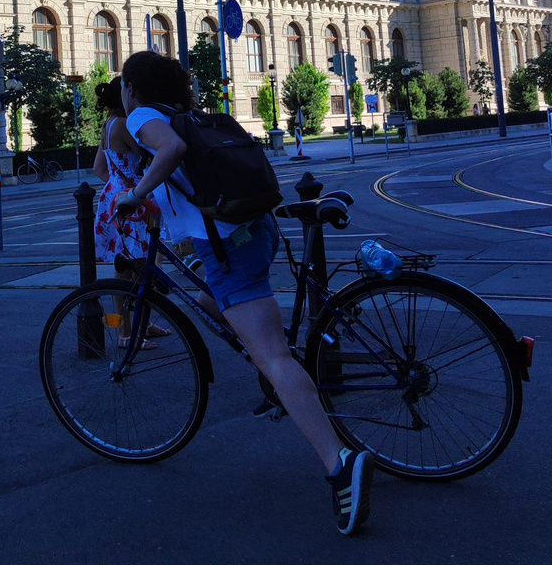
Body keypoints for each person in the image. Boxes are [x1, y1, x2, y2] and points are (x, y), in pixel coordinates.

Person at [112, 50, 374, 536]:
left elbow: (170, 153)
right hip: (253, 228)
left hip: (230, 245)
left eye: (123, 85)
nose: (122, 94)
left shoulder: (145, 116)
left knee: (274, 357)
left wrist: (133, 192)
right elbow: (188, 178)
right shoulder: (185, 114)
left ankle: (339, 463)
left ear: (133, 88)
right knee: (223, 305)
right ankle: (288, 369)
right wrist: (150, 202)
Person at [91, 78, 168, 349]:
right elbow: (150, 154)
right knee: (134, 270)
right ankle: (126, 332)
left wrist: (116, 185)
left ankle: (137, 326)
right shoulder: (124, 125)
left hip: (117, 197)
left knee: (125, 268)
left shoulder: (109, 124)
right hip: (131, 201)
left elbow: (99, 168)